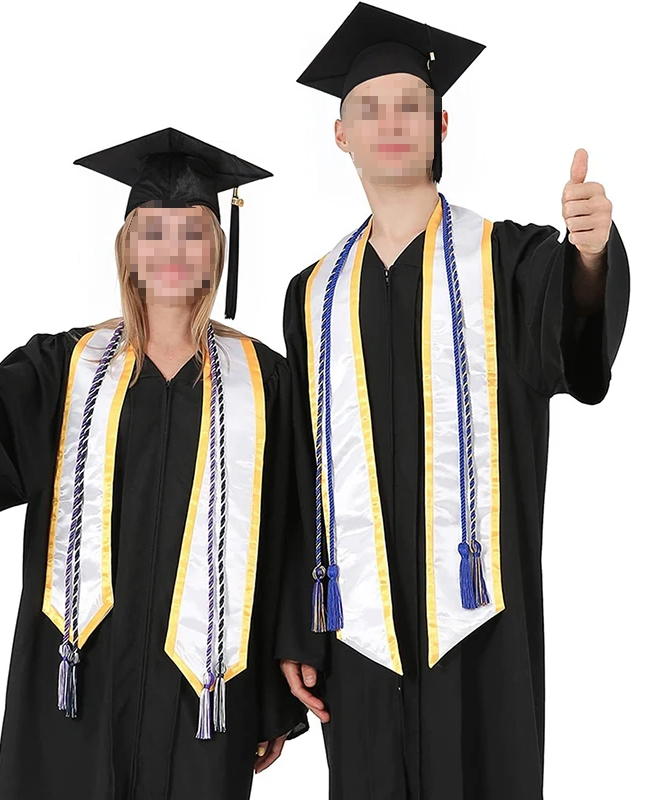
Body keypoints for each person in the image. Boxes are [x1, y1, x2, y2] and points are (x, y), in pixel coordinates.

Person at [276, 4, 630, 799]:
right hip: (357, 638)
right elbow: (301, 473)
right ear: (341, 134)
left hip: (481, 625)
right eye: (370, 108)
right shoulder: (310, 296)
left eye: (410, 106)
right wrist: (298, 626)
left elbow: (575, 338)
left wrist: (592, 254)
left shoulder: (509, 259)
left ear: (441, 123)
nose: (391, 123)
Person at [0, 127, 307, 800]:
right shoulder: (68, 366)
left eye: (191, 233)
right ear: (128, 250)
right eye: (153, 233)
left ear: (216, 251)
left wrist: (269, 695)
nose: (172, 252)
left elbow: (291, 533)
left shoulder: (268, 383)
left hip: (202, 688)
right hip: (79, 681)